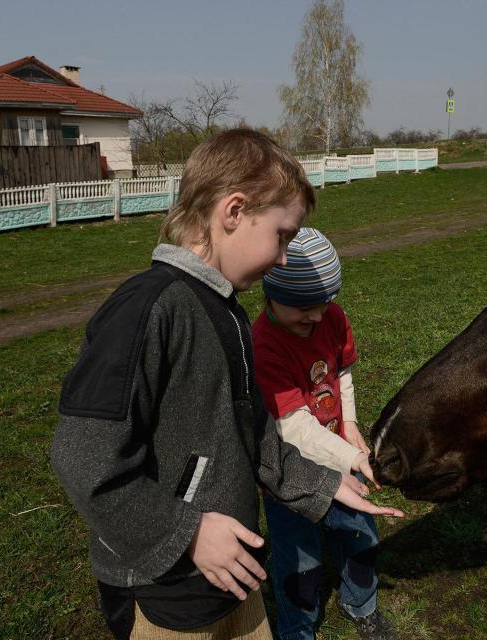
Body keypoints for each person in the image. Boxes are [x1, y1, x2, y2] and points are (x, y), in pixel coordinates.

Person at [51, 129, 403, 640]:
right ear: (233, 212)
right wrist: (187, 532)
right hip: (163, 591)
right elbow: (83, 458)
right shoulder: (148, 310)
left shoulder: (223, 310)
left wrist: (321, 483)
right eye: (281, 236)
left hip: (230, 577)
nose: (284, 258)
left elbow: (251, 429)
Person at [252, 228, 395, 640]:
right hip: (289, 477)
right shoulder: (263, 347)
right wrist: (352, 458)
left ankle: (361, 604)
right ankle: (297, 628)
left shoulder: (331, 318)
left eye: (323, 304)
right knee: (300, 563)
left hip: (339, 459)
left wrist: (348, 424)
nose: (316, 317)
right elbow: (294, 426)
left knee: (361, 537)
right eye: (303, 308)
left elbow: (342, 372)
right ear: (271, 294)